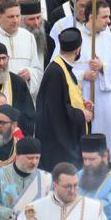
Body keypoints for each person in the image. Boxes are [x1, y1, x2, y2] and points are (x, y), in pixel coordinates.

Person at [71, 1, 111, 159]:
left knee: (106, 141)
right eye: (105, 17)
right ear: (91, 17)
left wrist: (103, 67)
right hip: (80, 97)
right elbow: (59, 69)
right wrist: (83, 75)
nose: (109, 21)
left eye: (109, 16)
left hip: (104, 100)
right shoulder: (74, 38)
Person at [35, 27, 93, 170]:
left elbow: (66, 99)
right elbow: (56, 111)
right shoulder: (56, 71)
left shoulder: (64, 68)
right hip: (58, 148)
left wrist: (82, 104)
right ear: (78, 50)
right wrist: (82, 115)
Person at [0, 137, 53, 220]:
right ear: (17, 156)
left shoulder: (47, 178)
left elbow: (52, 206)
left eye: (37, 158)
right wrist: (16, 215)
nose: (34, 162)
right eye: (30, 158)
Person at [19, 162, 109, 220]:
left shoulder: (94, 208)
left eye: (75, 185)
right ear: (55, 185)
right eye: (67, 186)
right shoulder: (33, 211)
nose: (73, 190)